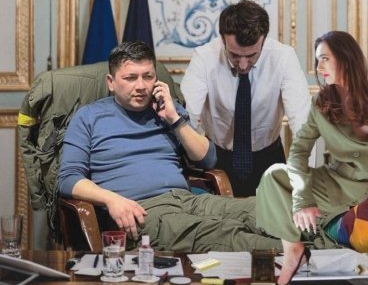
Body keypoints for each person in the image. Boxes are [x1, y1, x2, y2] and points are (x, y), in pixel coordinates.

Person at [58, 41, 282, 253]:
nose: (141, 86)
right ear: (111, 82)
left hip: (188, 199)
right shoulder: (88, 117)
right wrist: (111, 199)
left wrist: (174, 119)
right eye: (130, 78)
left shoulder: (166, 109)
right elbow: (68, 179)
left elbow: (208, 159)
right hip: (142, 211)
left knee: (266, 209)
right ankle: (297, 256)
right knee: (224, 234)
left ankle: (301, 252)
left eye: (148, 76)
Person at [256, 30, 368, 285]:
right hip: (339, 184)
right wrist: (303, 199)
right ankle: (294, 249)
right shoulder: (321, 104)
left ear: (346, 59)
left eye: (324, 58)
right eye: (317, 60)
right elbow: (299, 151)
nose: (318, 67)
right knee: (273, 176)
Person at [181, 0, 311, 196]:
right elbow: (186, 117)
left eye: (251, 56)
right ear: (223, 39)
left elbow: (302, 122)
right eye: (234, 55)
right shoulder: (204, 57)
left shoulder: (284, 57)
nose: (242, 65)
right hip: (216, 159)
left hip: (268, 157)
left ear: (263, 41)